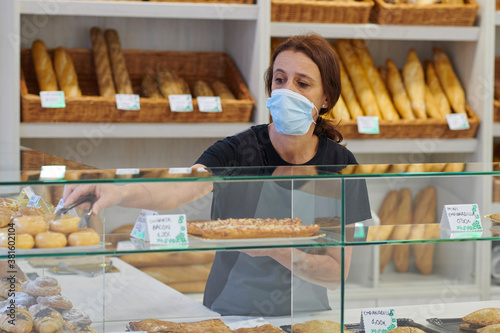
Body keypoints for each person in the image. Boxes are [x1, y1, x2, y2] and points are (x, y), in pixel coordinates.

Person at [63, 33, 371, 316]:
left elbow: (335, 273)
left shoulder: (340, 167)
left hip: (308, 318)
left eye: (302, 84)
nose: (287, 90)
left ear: (326, 98)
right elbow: (182, 187)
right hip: (231, 314)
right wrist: (117, 190)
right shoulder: (240, 150)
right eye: (280, 80)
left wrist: (277, 248)